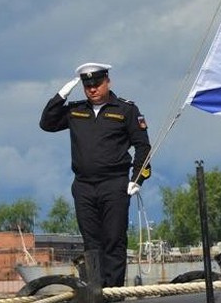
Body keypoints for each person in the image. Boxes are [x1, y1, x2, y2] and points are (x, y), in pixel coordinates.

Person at [39, 62, 152, 288]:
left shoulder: (125, 110)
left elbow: (143, 146)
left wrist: (138, 178)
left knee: (114, 240)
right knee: (91, 242)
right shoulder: (76, 110)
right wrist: (60, 96)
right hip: (84, 185)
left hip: (115, 184)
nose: (92, 89)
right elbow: (47, 123)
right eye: (87, 85)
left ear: (107, 82)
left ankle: (113, 291)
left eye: (97, 84)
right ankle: (97, 291)